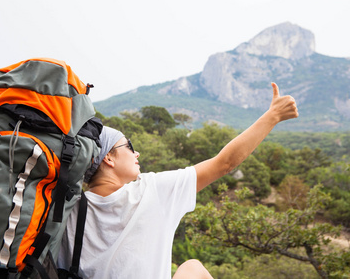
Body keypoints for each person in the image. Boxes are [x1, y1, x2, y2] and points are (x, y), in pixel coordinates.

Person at [57, 82, 298, 278]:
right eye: (128, 146)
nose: (136, 152)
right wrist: (273, 115)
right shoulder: (151, 191)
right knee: (193, 268)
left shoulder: (67, 207)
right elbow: (225, 163)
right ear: (108, 157)